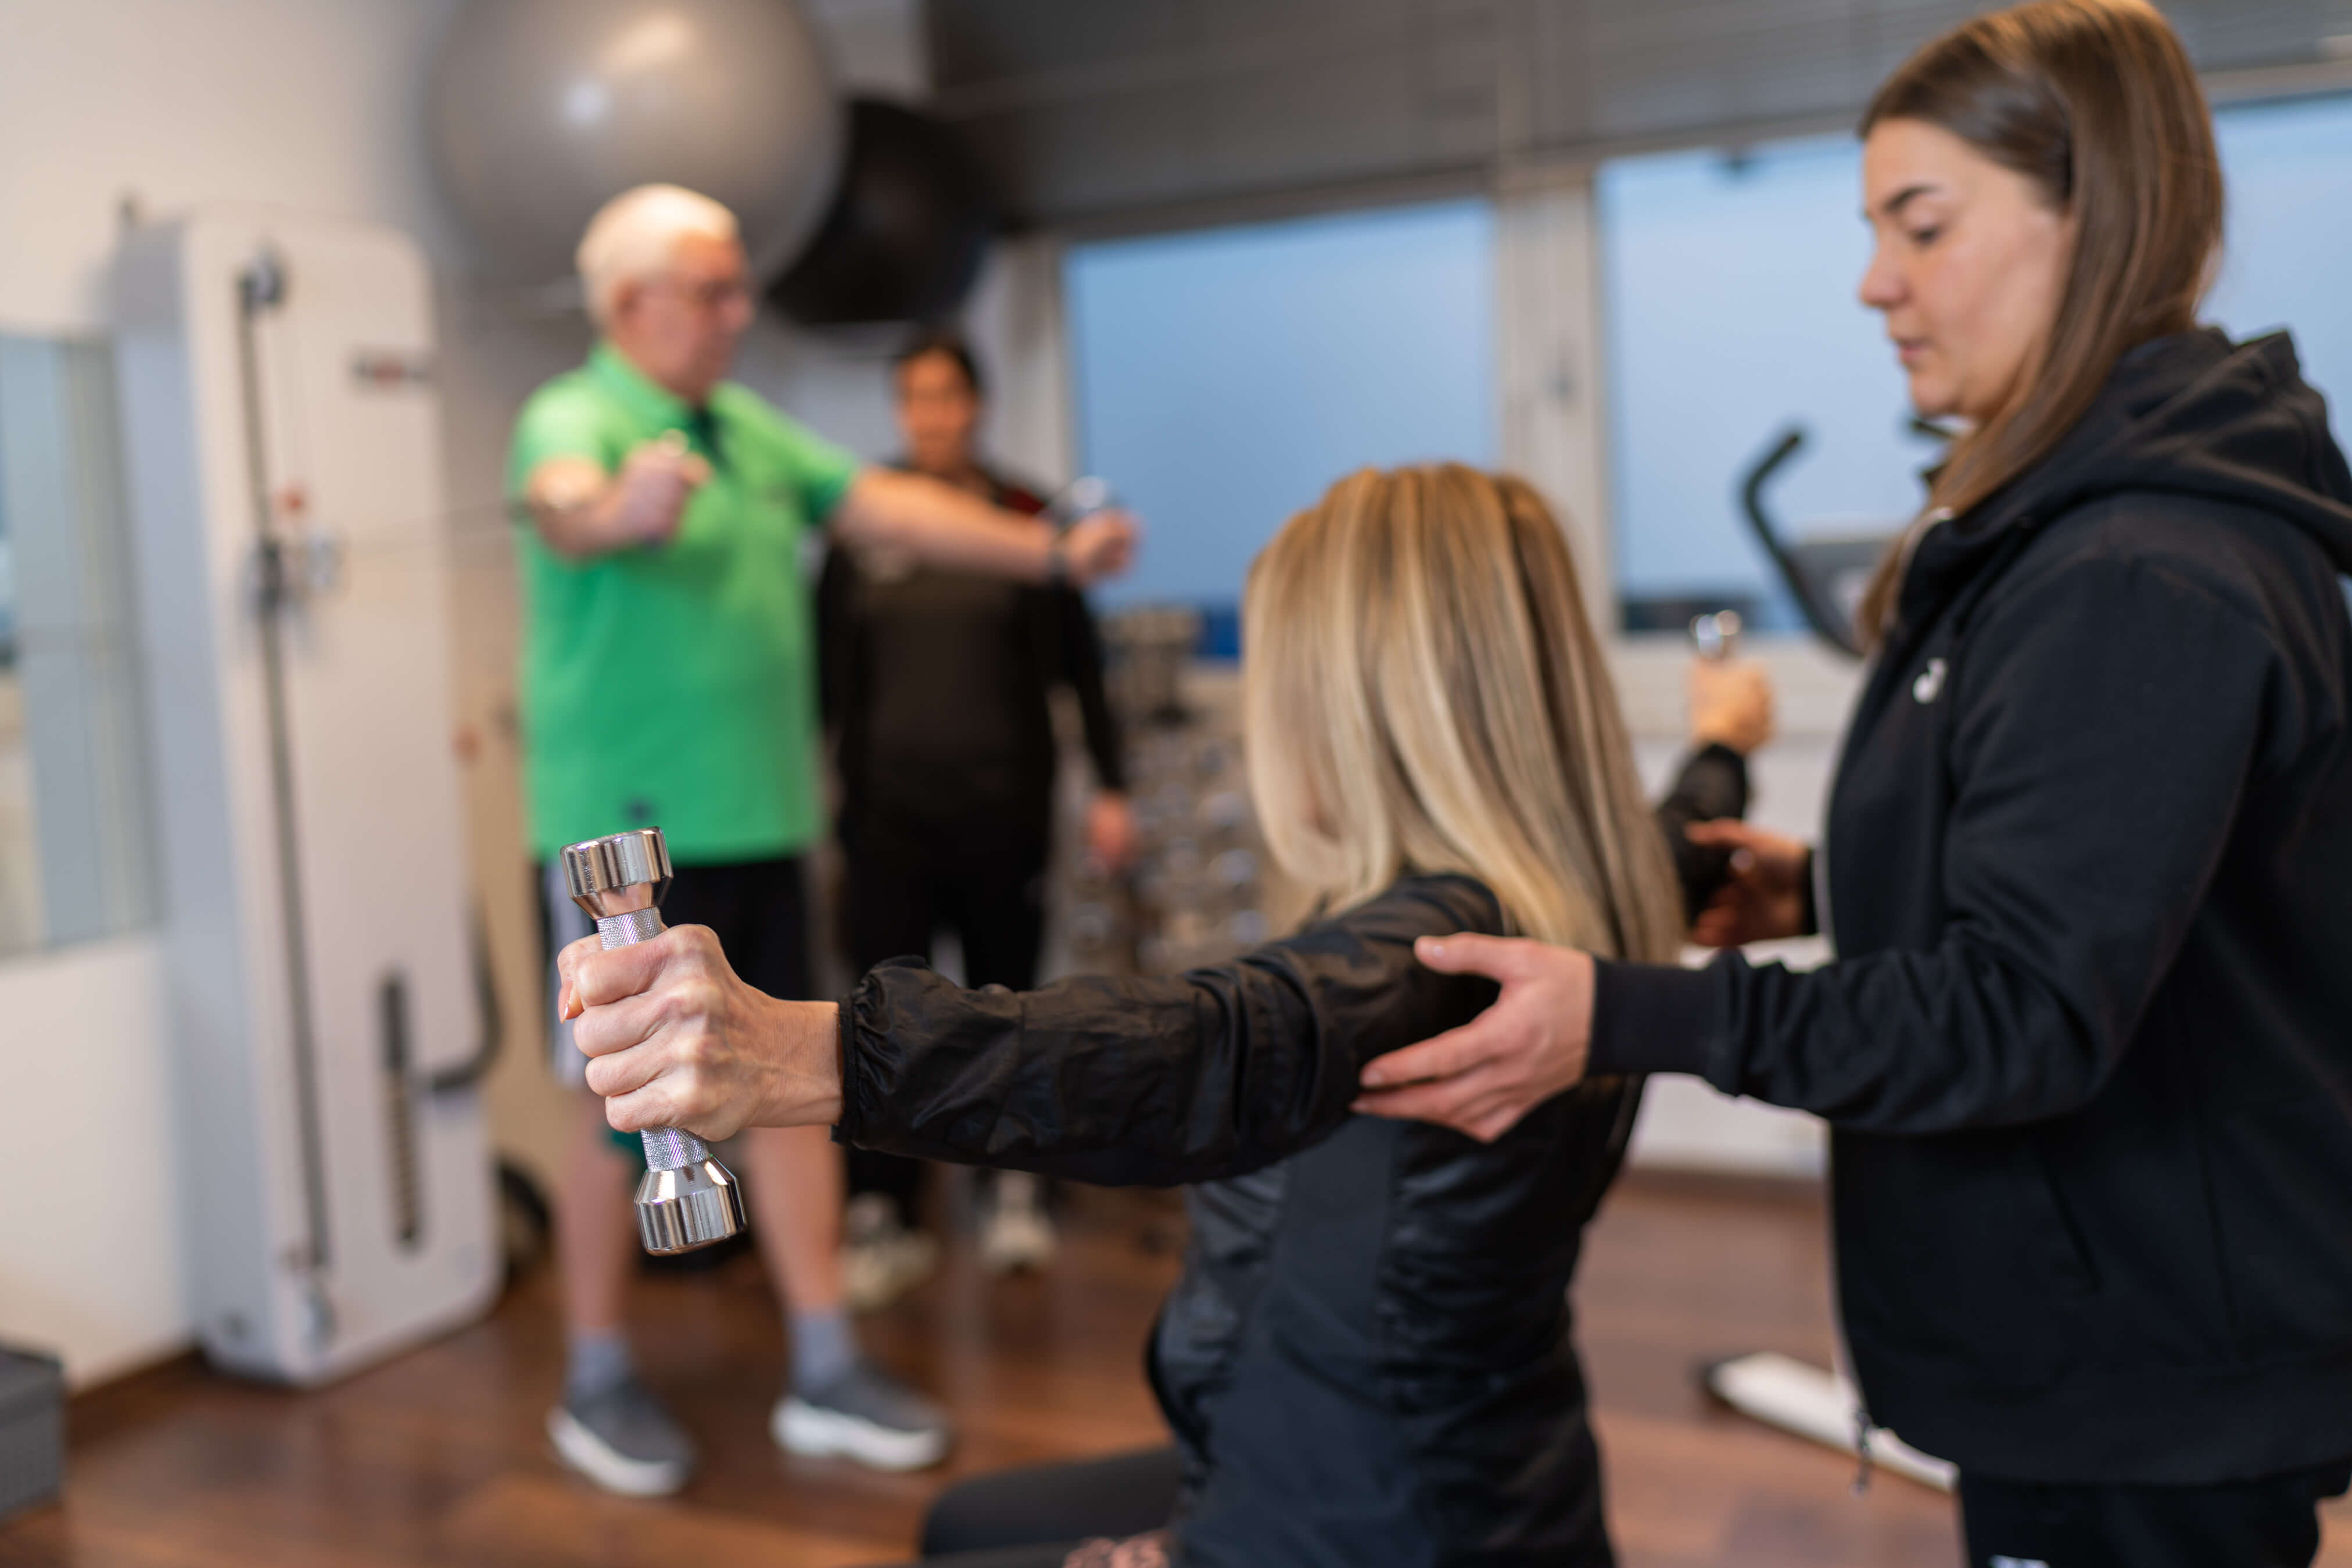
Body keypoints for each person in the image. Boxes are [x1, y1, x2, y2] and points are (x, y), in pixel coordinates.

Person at [1349, 5, 2352, 1565]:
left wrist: (1620, 1017)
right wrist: (1827, 889)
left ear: (2093, 213)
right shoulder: (2063, 534)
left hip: (2146, 1376)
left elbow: (2022, 1007)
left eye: (1922, 225)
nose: (1876, 281)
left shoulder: (2140, 572)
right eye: (1875, 228)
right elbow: (2133, 881)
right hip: (2099, 1340)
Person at [555, 465, 1727, 1566]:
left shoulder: (1432, 951)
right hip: (1476, 1465)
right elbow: (1684, 833)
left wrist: (810, 1054)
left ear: (1359, 706)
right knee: (965, 1523)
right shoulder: (1595, 882)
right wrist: (1721, 743)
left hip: (1370, 1520)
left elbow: (1210, 1049)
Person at [512, 184, 1135, 1496]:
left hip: (758, 822)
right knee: (609, 1109)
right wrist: (621, 509)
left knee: (787, 1080)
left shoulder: (738, 428)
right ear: (633, 306)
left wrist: (1050, 557)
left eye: (742, 286)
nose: (742, 311)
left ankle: (821, 1362)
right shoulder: (573, 417)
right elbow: (564, 501)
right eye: (716, 289)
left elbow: (891, 510)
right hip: (619, 842)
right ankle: (594, 1378)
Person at [819, 330, 1136, 1297]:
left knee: (1007, 1006)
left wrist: (1112, 788)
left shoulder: (1028, 518)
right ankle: (883, 1209)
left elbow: (1083, 670)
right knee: (883, 1015)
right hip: (888, 822)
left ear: (977, 405)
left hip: (1004, 813)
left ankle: (1015, 1193)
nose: (933, 416)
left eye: (948, 396)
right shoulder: (865, 524)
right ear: (901, 410)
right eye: (914, 399)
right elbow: (827, 681)